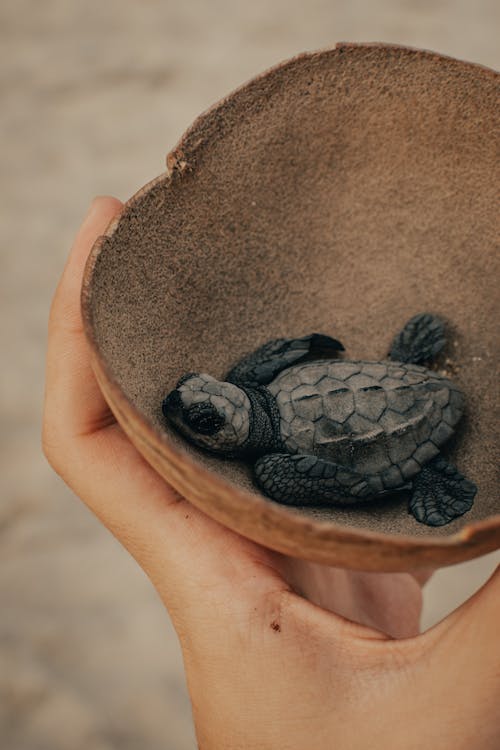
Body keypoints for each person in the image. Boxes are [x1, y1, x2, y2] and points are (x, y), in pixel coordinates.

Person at [43, 196, 500, 750]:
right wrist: (310, 349)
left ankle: (426, 475)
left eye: (203, 416)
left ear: (232, 421)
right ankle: (405, 373)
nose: (185, 412)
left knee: (291, 476)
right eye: (202, 404)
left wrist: (393, 480)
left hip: (413, 429)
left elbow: (348, 483)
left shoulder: (272, 464)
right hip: (387, 381)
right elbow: (286, 369)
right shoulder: (263, 386)